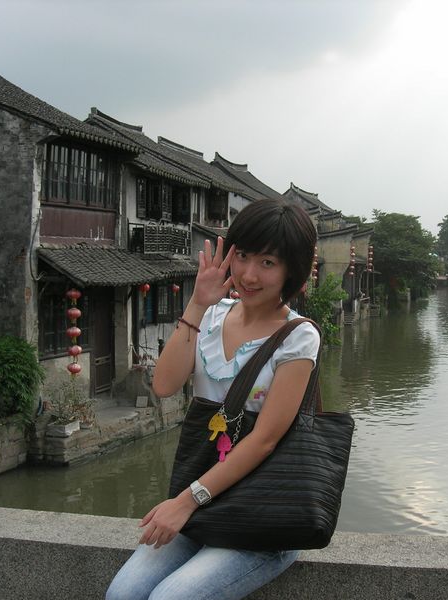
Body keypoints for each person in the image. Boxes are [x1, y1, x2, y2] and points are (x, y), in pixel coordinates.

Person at [106, 200, 320, 600]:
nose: (249, 274)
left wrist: (184, 502)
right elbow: (164, 385)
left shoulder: (298, 336)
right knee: (122, 594)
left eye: (268, 263)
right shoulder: (212, 314)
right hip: (202, 507)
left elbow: (265, 440)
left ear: (292, 269)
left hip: (262, 518)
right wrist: (197, 303)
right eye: (243, 256)